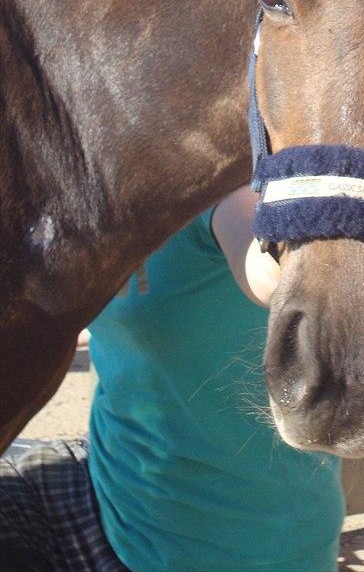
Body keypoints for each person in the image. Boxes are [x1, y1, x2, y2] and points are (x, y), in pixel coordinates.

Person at [0, 188, 345, 571]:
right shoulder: (98, 188)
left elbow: (268, 271)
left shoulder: (225, 192)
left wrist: (319, 246)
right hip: (108, 489)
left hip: (221, 546)